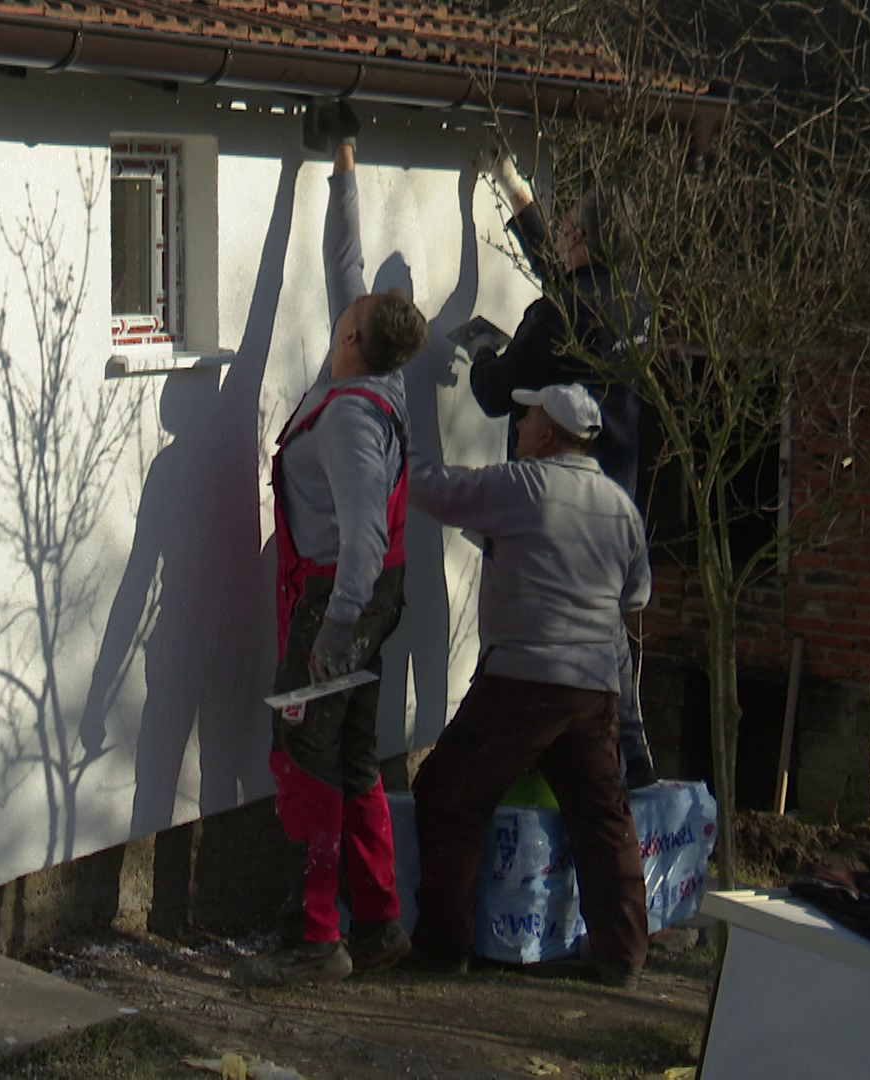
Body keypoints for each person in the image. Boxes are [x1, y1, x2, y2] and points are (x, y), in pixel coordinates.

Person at [236, 100, 426, 988]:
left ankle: (318, 938)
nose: (342, 301)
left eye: (349, 309)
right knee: (353, 755)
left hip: (338, 597)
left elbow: (357, 542)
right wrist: (343, 161)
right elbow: (341, 261)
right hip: (369, 594)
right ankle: (382, 922)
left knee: (306, 761)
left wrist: (334, 630)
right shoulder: (376, 372)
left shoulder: (353, 420)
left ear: (351, 334)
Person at [406, 383, 652, 987]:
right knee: (602, 817)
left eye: (526, 418)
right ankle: (622, 954)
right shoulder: (618, 504)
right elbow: (637, 594)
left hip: (521, 683)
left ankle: (443, 946)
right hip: (594, 688)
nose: (517, 426)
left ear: (546, 434)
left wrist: (390, 438)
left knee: (448, 793)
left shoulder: (522, 486)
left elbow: (434, 489)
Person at [469, 152, 659, 790]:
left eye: (570, 224)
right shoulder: (632, 295)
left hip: (558, 509)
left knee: (540, 637)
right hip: (615, 499)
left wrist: (481, 354)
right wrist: (515, 189)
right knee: (606, 627)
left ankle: (574, 765)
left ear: (582, 237)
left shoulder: (562, 314)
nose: (566, 232)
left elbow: (498, 392)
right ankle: (632, 764)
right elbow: (564, 274)